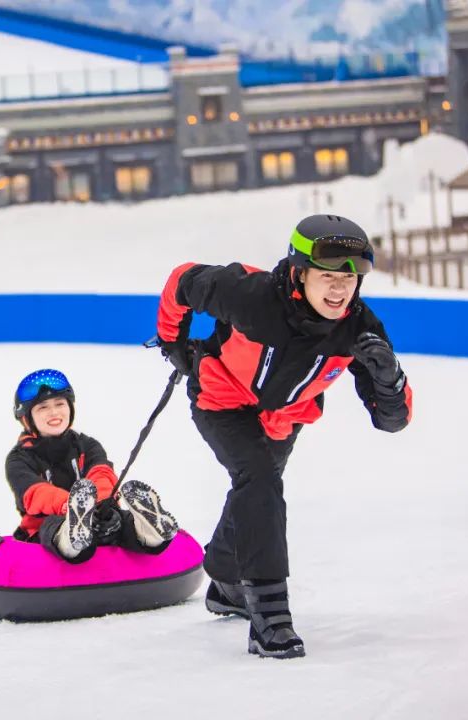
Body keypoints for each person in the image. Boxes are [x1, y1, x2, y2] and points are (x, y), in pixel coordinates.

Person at [155, 214, 413, 659]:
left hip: (283, 419)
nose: (340, 290)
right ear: (299, 272)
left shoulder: (359, 329)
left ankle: (226, 583)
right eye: (328, 277)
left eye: (349, 279)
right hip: (221, 399)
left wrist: (389, 380)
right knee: (259, 480)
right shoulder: (249, 296)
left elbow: (392, 421)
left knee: (255, 491)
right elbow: (183, 281)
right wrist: (172, 343)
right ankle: (270, 620)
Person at [5, 368, 179, 563]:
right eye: (42, 407)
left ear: (71, 408)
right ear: (26, 418)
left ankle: (148, 532)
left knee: (120, 520)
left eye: (60, 403)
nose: (54, 412)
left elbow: (101, 474)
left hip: (96, 511)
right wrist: (74, 506)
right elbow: (36, 493)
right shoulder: (18, 459)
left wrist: (102, 505)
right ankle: (71, 538)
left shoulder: (86, 445)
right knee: (49, 526)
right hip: (48, 525)